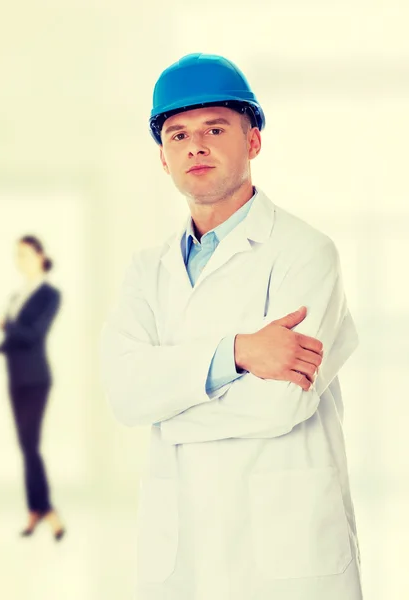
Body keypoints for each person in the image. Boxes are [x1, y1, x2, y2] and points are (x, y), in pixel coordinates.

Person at [99, 53, 363, 600]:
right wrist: (238, 354)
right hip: (184, 555)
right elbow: (124, 396)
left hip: (287, 553)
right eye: (178, 135)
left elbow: (280, 405)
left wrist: (167, 403)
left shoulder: (306, 253)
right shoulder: (147, 271)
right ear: (164, 159)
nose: (195, 146)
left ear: (253, 141)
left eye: (215, 128)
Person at [0, 235, 66, 541]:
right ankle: (36, 510)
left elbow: (33, 335)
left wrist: (1, 323)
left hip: (35, 379)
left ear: (41, 257)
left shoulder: (49, 294)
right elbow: (13, 341)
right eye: (17, 255)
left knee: (30, 446)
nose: (21, 261)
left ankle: (46, 511)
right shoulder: (17, 296)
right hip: (15, 378)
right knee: (26, 447)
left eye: (26, 255)